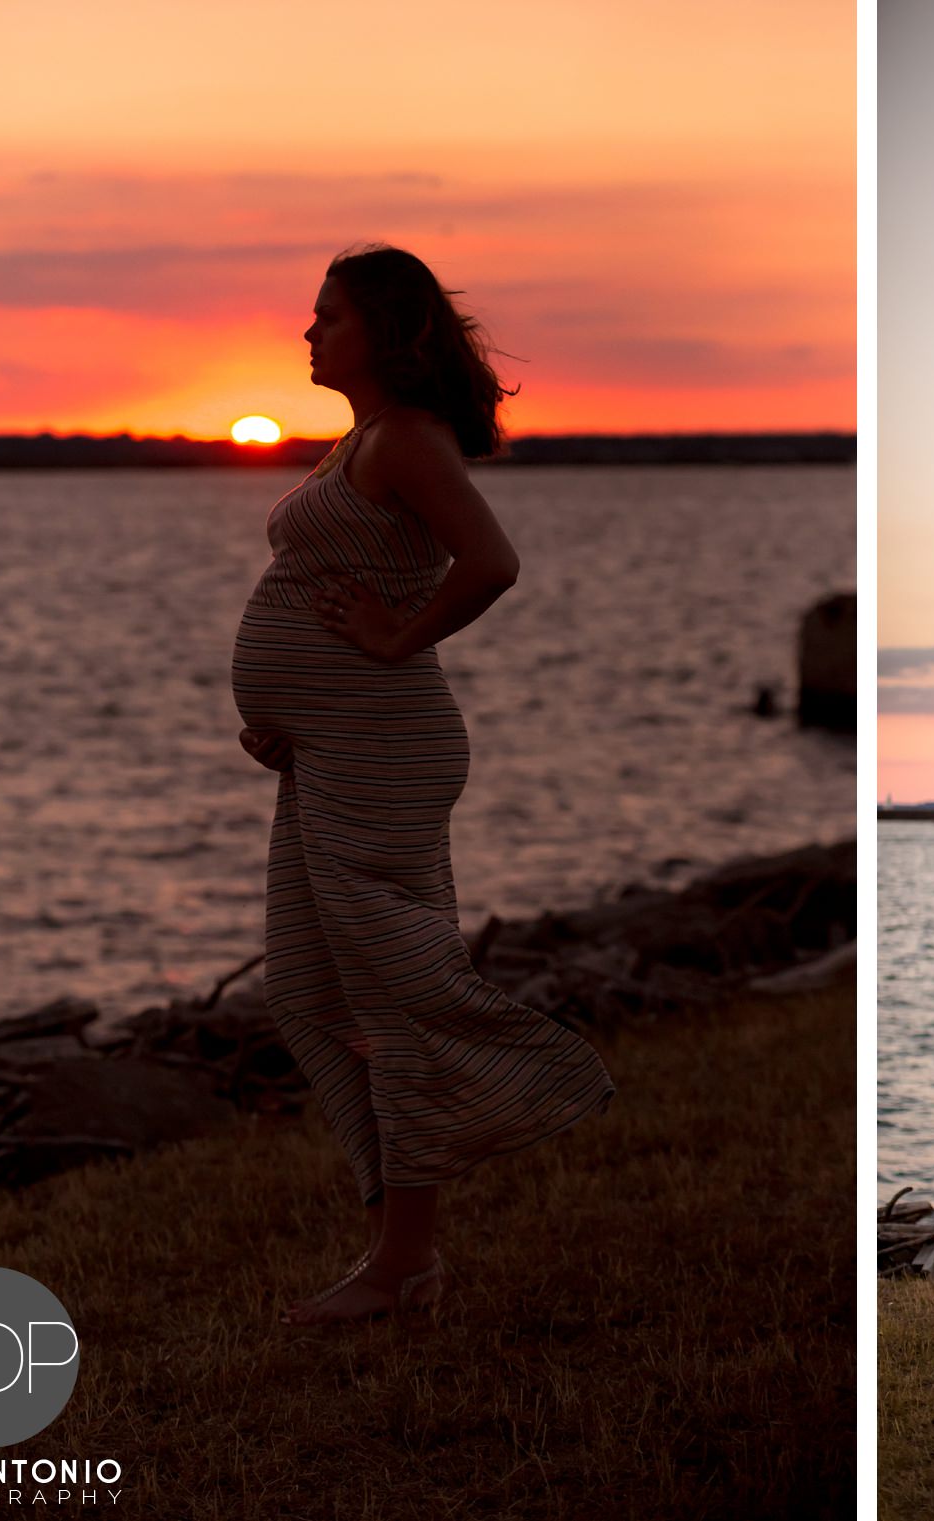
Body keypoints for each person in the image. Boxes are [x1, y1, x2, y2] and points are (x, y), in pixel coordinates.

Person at [231, 244, 615, 1325]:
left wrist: (396, 641)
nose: (308, 333)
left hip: (384, 748)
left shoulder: (403, 440)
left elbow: (490, 561)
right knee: (308, 989)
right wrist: (287, 722)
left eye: (327, 316)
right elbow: (329, 587)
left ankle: (407, 1262)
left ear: (383, 331)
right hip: (336, 749)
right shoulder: (357, 439)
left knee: (395, 1000)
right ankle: (397, 1245)